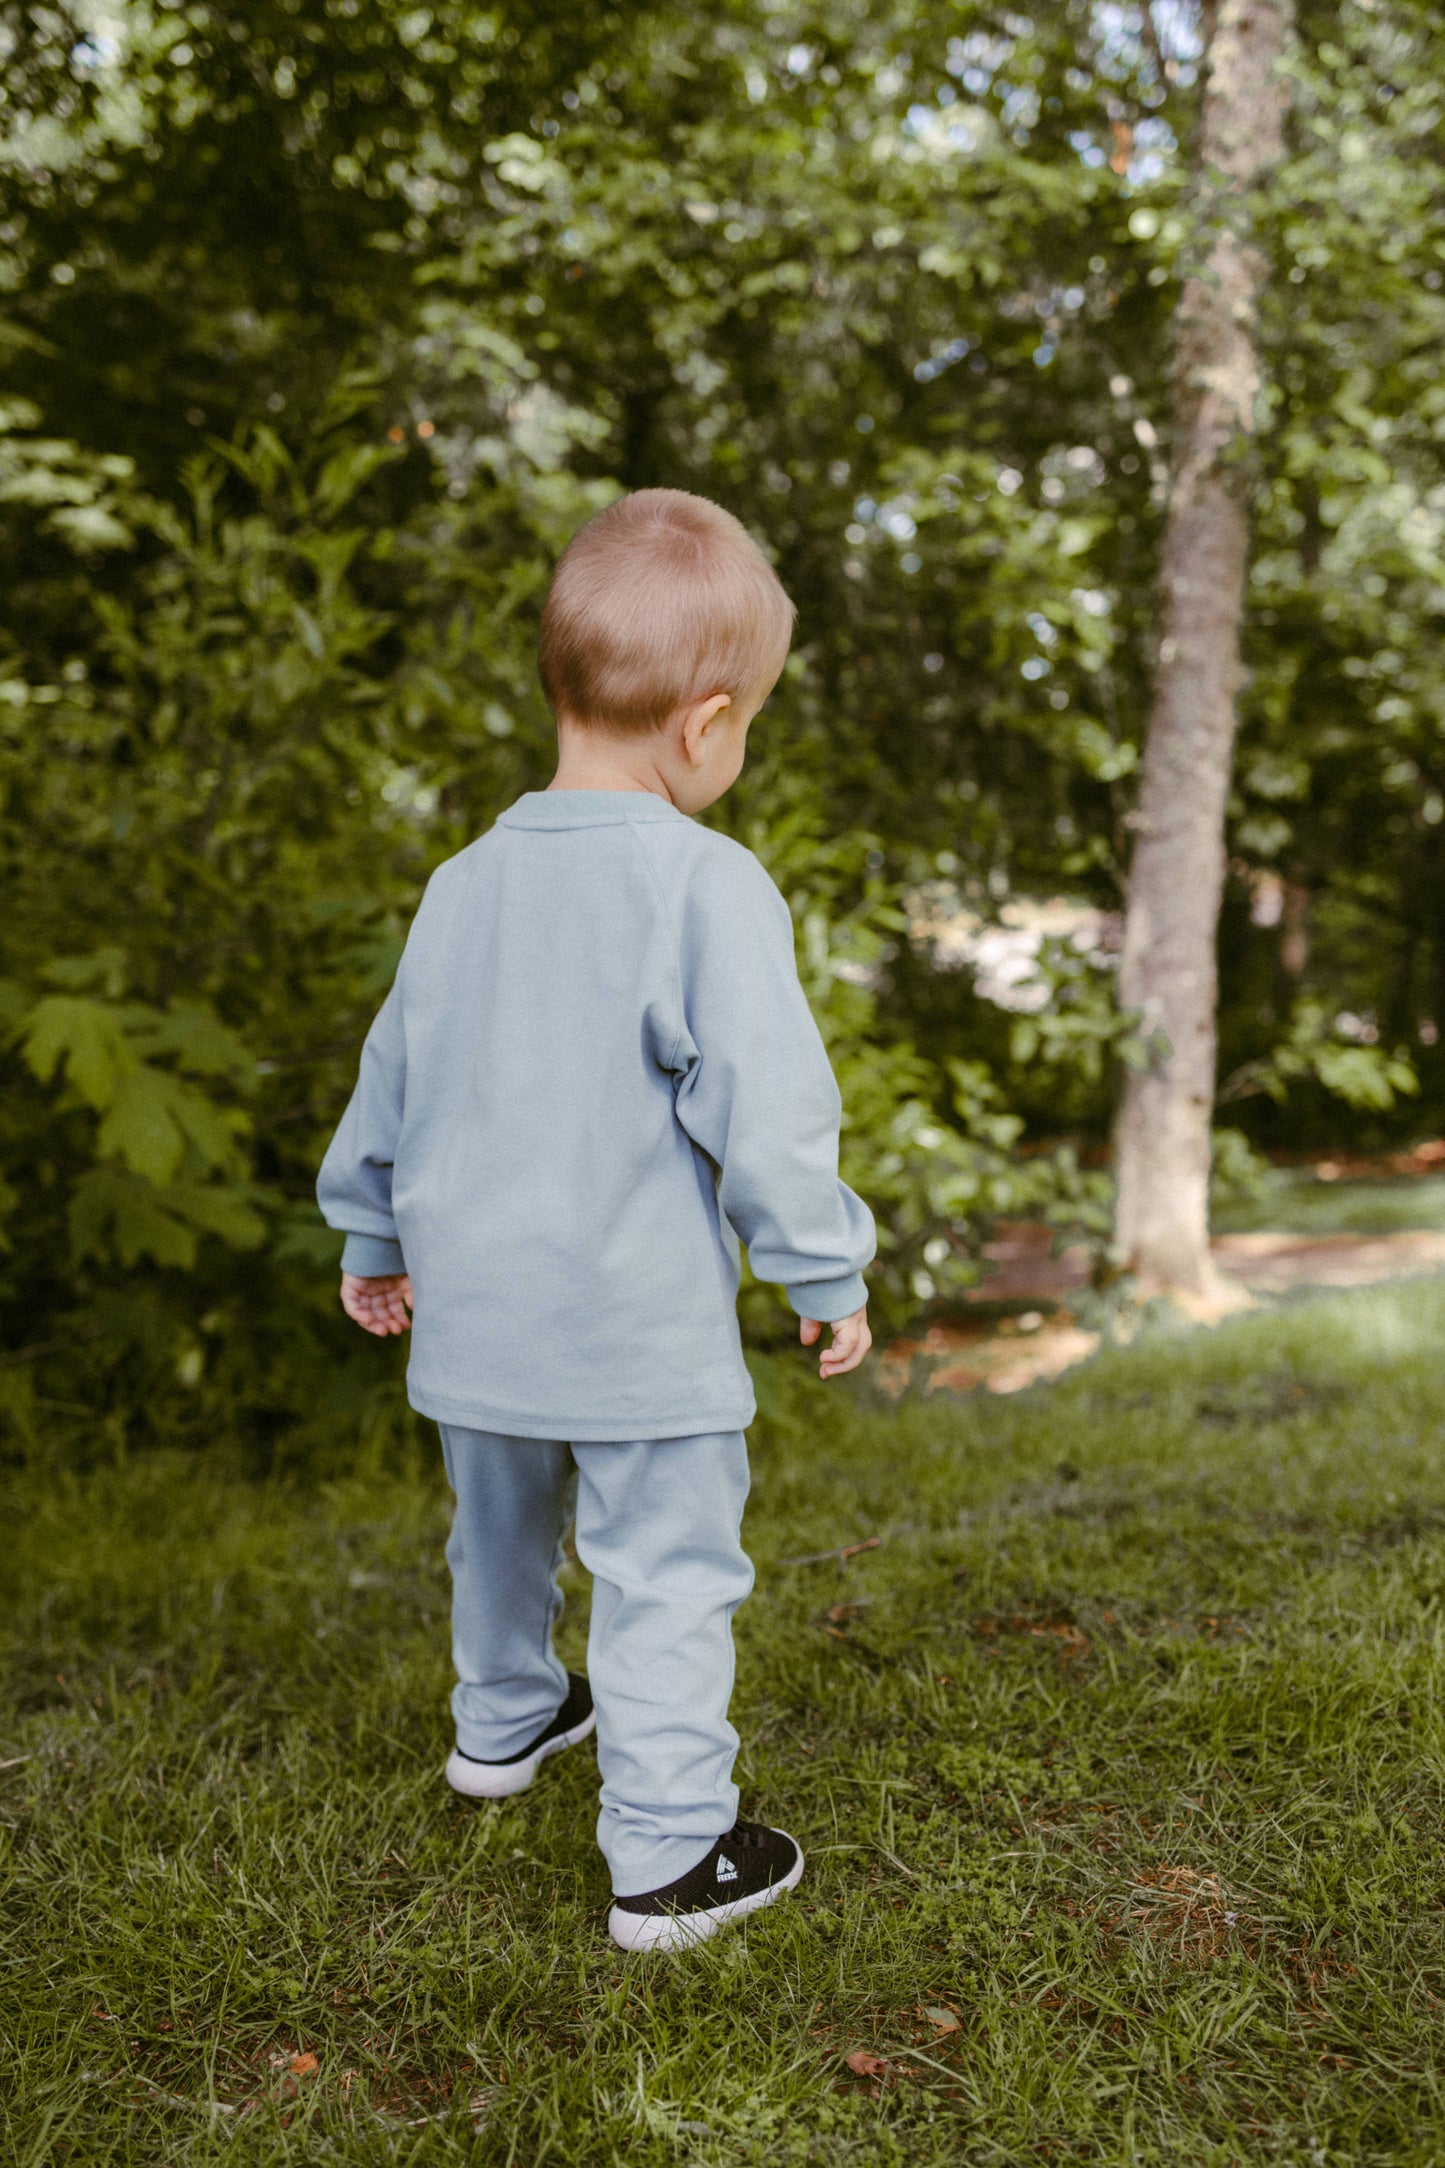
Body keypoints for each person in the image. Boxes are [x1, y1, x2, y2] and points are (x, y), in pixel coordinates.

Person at [317, 487, 875, 1952]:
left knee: (493, 1535)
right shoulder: (702, 884)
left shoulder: (460, 884)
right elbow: (766, 1111)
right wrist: (823, 1267)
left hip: (479, 1317)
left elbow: (393, 1082)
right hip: (634, 1335)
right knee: (664, 1571)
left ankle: (499, 1726)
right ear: (705, 724)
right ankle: (668, 1859)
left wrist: (372, 1240)